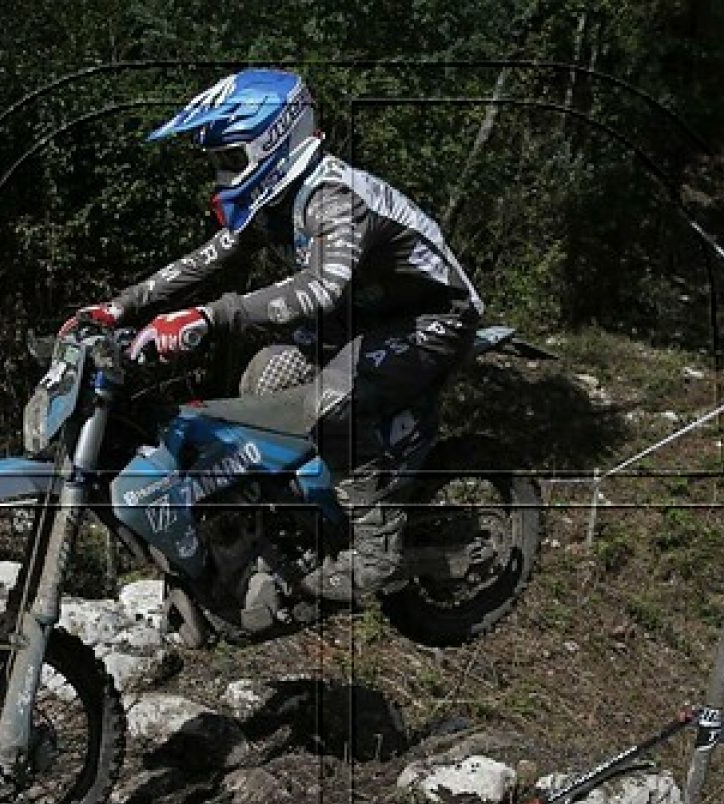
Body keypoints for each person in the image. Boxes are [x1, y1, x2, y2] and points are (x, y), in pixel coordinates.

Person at [60, 68, 484, 602]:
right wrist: (122, 305)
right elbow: (208, 258)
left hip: (432, 319)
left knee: (332, 404)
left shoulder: (333, 197)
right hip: (359, 323)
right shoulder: (276, 202)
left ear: (274, 143)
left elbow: (319, 288)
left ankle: (376, 552)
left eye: (230, 160)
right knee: (265, 381)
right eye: (217, 163)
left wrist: (209, 317)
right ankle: (304, 518)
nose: (221, 175)